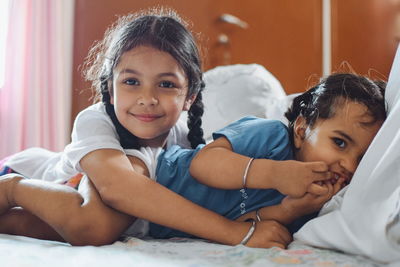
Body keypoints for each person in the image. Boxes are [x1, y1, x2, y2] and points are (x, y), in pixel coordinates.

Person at [0, 8, 294, 248]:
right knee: (93, 227)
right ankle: (11, 189)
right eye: (131, 82)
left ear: (189, 97)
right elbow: (118, 189)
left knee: (27, 225)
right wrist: (233, 233)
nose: (147, 99)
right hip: (34, 177)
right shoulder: (96, 120)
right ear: (111, 90)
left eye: (166, 85)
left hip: (83, 214)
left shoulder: (182, 140)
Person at [0, 72, 385, 246]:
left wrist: (289, 210)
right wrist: (274, 173)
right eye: (339, 142)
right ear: (302, 128)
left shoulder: (317, 200)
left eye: (361, 157)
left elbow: (247, 223)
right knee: (90, 225)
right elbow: (205, 164)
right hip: (151, 176)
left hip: (151, 227)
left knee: (40, 228)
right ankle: (10, 184)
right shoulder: (271, 137)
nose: (349, 166)